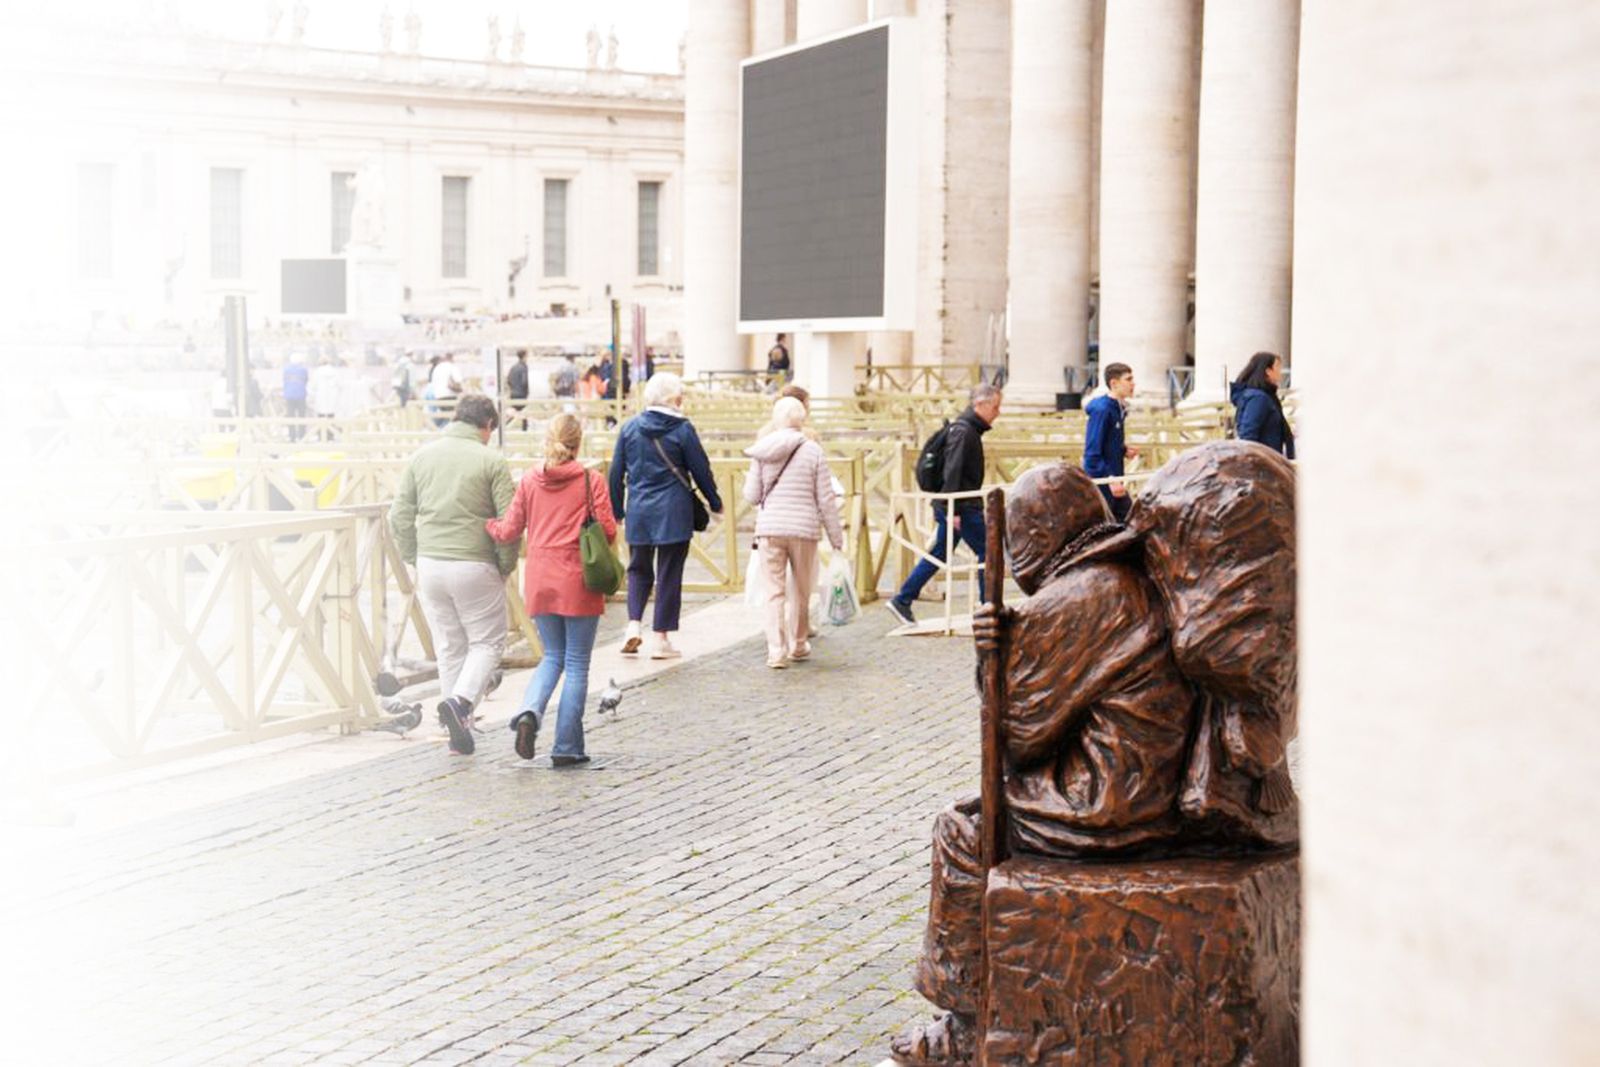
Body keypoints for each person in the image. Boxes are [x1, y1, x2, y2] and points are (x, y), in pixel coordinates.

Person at [888, 457, 1298, 1064]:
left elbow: (1016, 738)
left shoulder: (1078, 596)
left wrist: (995, 661)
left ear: (1033, 539)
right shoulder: (1142, 580)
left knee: (963, 829)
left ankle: (966, 1021)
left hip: (1108, 803)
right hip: (1166, 795)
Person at [388, 394, 517, 755]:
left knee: (449, 645)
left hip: (430, 564)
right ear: (487, 425)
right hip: (475, 562)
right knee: (487, 642)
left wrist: (413, 555)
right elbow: (509, 523)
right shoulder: (491, 460)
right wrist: (506, 564)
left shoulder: (421, 457)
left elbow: (398, 517)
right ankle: (460, 705)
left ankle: (456, 731)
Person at [485, 413, 616, 766]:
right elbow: (607, 530)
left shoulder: (529, 480)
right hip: (578, 580)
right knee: (575, 663)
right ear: (579, 442)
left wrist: (486, 525)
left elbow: (509, 529)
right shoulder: (592, 480)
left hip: (540, 579)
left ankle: (529, 711)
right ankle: (567, 747)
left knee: (552, 657)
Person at [608, 372, 723, 660]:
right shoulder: (683, 430)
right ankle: (661, 638)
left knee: (638, 568)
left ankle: (633, 625)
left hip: (639, 510)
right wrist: (714, 501)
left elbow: (615, 473)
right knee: (669, 572)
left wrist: (617, 509)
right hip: (674, 511)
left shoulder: (629, 428)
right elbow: (701, 470)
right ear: (674, 399)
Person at [886, 384, 1002, 626]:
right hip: (961, 505)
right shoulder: (965, 432)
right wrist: (954, 510)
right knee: (988, 551)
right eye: (995, 406)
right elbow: (954, 471)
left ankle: (902, 599)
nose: (998, 412)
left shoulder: (967, 430)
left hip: (956, 503)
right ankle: (987, 606)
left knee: (941, 551)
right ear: (979, 405)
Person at [744, 396, 844, 668]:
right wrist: (837, 538)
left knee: (773, 592)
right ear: (802, 419)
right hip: (803, 529)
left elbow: (751, 495)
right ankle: (798, 645)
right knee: (801, 589)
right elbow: (825, 499)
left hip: (770, 528)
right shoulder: (813, 451)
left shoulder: (761, 450)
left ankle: (776, 650)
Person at [1083, 362, 1140, 521]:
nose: (1133, 384)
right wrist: (1109, 480)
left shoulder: (1118, 408)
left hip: (1114, 480)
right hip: (1103, 482)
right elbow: (1092, 453)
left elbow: (1106, 442)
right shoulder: (1102, 410)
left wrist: (1123, 450)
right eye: (1128, 379)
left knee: (1128, 522)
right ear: (1114, 383)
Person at [1231, 351, 1296, 459]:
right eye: (1277, 367)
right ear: (1268, 371)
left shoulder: (1267, 397)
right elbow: (1249, 435)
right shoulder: (1259, 399)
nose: (1280, 372)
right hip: (1263, 463)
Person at [311, 356, 340, 439]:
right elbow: (339, 384)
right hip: (332, 397)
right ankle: (331, 436)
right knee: (331, 416)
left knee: (321, 416)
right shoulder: (334, 371)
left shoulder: (317, 372)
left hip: (321, 397)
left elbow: (313, 386)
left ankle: (321, 436)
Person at [283, 353, 309, 440]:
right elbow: (306, 380)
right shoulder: (303, 370)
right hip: (301, 395)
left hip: (289, 395)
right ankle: (302, 436)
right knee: (301, 416)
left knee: (290, 416)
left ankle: (292, 436)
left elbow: (284, 381)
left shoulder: (286, 370)